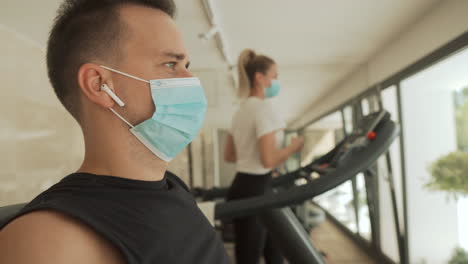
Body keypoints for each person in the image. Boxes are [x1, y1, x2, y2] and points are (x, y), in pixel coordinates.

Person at [0, 1, 229, 263]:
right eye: (170, 64)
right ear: (99, 85)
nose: (190, 80)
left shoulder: (173, 188)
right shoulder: (49, 242)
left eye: (186, 65)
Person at [224, 49, 304, 264]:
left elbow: (230, 156)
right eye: (274, 76)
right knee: (263, 253)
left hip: (241, 186)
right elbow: (267, 160)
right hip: (258, 188)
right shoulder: (263, 109)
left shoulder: (240, 111)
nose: (277, 81)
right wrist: (293, 147)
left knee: (262, 250)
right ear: (259, 78)